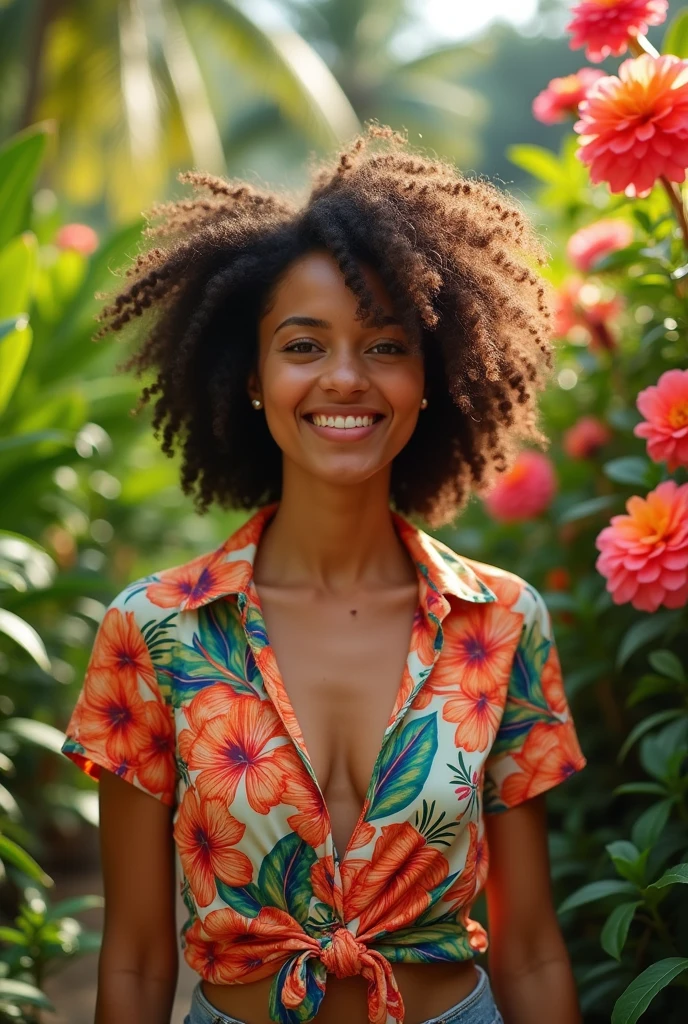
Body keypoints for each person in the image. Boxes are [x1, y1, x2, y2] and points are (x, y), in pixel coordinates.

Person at [61, 123, 586, 1024]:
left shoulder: (500, 621)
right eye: (304, 346)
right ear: (252, 377)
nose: (346, 378)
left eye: (386, 346)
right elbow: (139, 960)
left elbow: (531, 946)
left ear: (433, 378)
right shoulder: (152, 629)